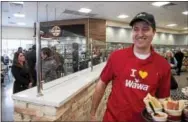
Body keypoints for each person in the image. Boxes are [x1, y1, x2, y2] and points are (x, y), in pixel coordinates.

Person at [90, 12, 171, 122]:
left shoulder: (163, 65)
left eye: (145, 29)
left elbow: (163, 98)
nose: (140, 33)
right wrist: (93, 113)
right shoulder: (116, 56)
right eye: (136, 29)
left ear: (154, 32)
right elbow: (102, 83)